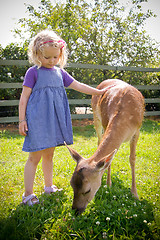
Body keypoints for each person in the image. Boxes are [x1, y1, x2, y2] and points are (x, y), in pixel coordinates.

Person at [19, 29, 111, 206]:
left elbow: (78, 85)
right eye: (47, 58)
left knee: (49, 156)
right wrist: (22, 120)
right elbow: (24, 98)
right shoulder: (33, 72)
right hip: (37, 121)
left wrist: (98, 91)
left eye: (55, 57)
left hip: (53, 121)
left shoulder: (60, 73)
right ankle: (28, 194)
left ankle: (48, 186)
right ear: (37, 54)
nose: (52, 61)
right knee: (34, 158)